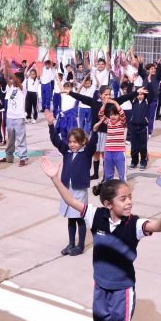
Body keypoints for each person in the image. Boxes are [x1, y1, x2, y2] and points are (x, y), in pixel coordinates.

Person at [40, 157, 161, 321]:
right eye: (123, 199)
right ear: (108, 203)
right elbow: (70, 200)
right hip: (100, 284)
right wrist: (55, 177)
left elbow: (155, 227)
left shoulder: (134, 224)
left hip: (123, 289)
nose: (129, 202)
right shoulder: (96, 216)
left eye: (130, 198)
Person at [45, 110, 103, 256]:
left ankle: (80, 245)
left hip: (79, 190)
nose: (71, 145)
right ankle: (71, 243)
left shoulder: (86, 152)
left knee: (80, 218)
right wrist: (51, 125)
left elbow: (94, 143)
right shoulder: (66, 151)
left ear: (83, 142)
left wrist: (95, 131)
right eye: (70, 142)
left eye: (75, 142)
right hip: (67, 189)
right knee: (70, 218)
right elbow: (56, 141)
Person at [0, 58, 29, 167]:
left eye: (15, 79)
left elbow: (14, 79)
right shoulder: (11, 87)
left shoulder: (22, 89)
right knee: (10, 138)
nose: (12, 80)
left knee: (20, 138)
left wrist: (9, 68)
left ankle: (23, 158)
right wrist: (6, 67)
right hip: (10, 117)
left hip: (19, 117)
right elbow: (6, 77)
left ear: (20, 80)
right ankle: (9, 157)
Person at [99, 95, 127, 181]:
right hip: (109, 152)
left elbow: (122, 113)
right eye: (111, 115)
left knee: (122, 174)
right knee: (108, 174)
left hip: (119, 152)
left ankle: (123, 188)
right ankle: (109, 188)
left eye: (115, 114)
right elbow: (100, 114)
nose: (113, 116)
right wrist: (104, 104)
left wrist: (114, 102)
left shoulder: (122, 122)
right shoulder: (109, 122)